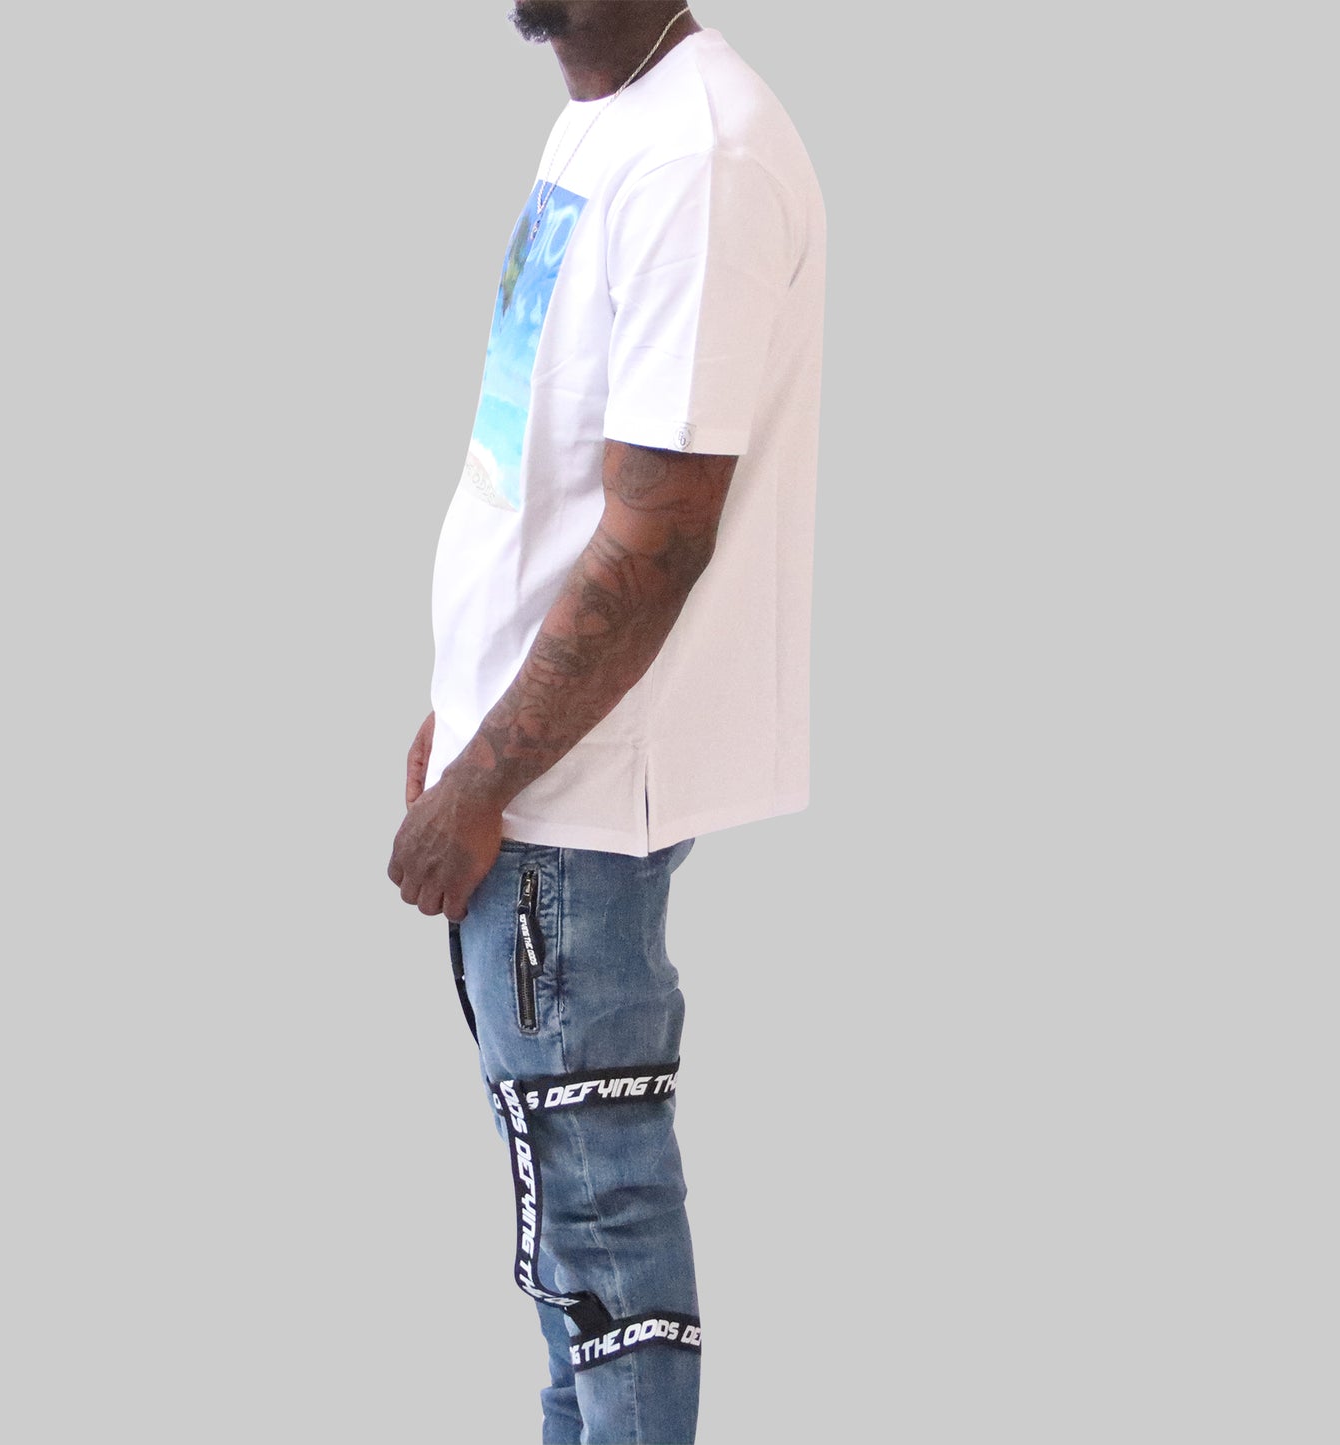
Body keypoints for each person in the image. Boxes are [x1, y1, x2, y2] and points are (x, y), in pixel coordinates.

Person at [388, 4, 825, 1440]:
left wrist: (484, 776)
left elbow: (659, 536)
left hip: (571, 801)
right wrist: (463, 703)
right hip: (527, 775)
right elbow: (546, 465)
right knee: (568, 1243)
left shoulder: (699, 158)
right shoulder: (606, 118)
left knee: (601, 1222)